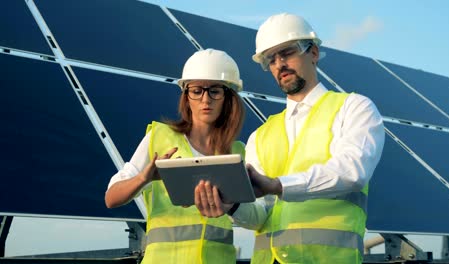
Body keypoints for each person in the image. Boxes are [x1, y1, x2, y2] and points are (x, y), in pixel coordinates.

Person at [195, 13, 385, 263]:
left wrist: (278, 185)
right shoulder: (261, 135)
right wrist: (232, 206)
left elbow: (352, 171)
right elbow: (260, 215)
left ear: (314, 53)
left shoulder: (354, 108)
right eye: (270, 59)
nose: (279, 64)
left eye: (286, 53)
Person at [105, 48, 246, 264]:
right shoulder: (159, 138)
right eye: (196, 90)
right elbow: (111, 198)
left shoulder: (238, 152)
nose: (205, 99)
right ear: (186, 96)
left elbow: (255, 216)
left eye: (215, 91)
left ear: (228, 98)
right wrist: (145, 178)